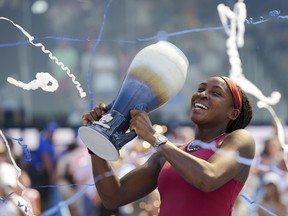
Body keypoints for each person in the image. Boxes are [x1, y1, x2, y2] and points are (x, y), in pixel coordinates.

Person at [82, 76, 255, 216]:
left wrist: (154, 137)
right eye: (201, 89)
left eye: (216, 93)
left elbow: (208, 178)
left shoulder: (241, 139)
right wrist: (98, 141)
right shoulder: (168, 153)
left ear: (233, 113)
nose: (202, 94)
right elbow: (113, 197)